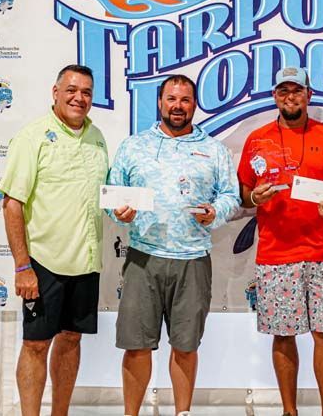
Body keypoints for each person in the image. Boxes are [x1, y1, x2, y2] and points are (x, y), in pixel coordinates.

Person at [107, 74, 240, 416]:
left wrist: (216, 212)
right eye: (171, 99)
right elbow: (113, 193)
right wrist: (119, 212)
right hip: (143, 258)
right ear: (160, 102)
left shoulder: (213, 149)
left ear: (194, 104)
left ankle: (183, 413)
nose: (177, 106)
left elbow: (231, 196)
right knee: (136, 346)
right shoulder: (134, 146)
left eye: (184, 100)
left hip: (192, 260)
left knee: (185, 346)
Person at [237, 66, 323, 416]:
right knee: (283, 335)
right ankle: (289, 411)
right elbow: (244, 193)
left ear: (309, 94)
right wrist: (254, 198)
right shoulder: (257, 139)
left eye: (297, 90)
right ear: (275, 96)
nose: (290, 97)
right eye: (283, 91)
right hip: (276, 254)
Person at [0, 64, 109, 416]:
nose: (79, 98)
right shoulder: (33, 137)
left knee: (72, 339)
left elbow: (102, 197)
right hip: (43, 264)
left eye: (86, 92)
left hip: (86, 262)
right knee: (35, 344)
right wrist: (22, 267)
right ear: (55, 92)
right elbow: (12, 203)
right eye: (71, 90)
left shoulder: (97, 138)